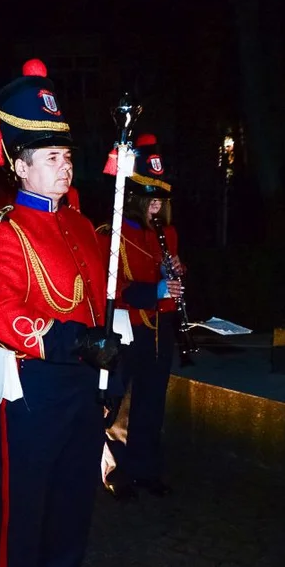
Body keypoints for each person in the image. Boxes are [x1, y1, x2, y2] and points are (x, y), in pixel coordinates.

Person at [0, 59, 120, 567]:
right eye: (51, 158)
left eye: (66, 156)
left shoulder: (82, 226)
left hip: (82, 383)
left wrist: (108, 346)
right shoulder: (0, 231)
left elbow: (96, 300)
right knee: (27, 500)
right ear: (20, 164)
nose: (65, 167)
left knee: (74, 493)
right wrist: (66, 339)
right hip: (33, 387)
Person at [99, 133, 183, 500]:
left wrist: (174, 278)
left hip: (158, 329)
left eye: (161, 198)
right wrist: (157, 290)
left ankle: (147, 470)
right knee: (121, 405)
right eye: (150, 198)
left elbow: (167, 282)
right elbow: (114, 287)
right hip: (126, 328)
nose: (156, 206)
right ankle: (116, 473)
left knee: (152, 402)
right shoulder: (111, 235)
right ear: (133, 198)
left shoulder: (168, 234)